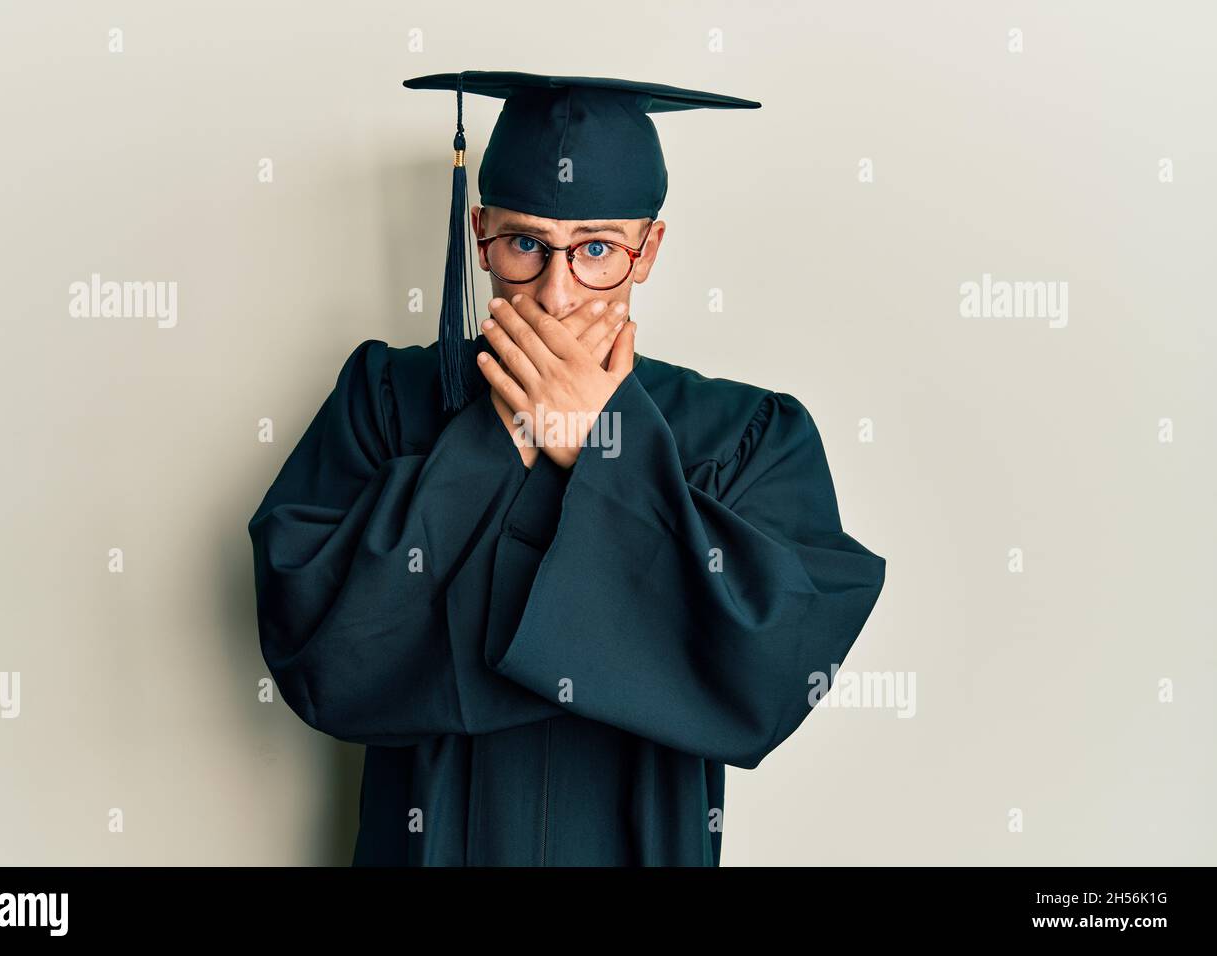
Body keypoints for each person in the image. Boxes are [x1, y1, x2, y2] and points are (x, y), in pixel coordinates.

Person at [247, 71, 887, 866]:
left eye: (595, 249)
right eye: (525, 244)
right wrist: (503, 438)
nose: (555, 293)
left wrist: (603, 442)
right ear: (479, 234)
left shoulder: (745, 433)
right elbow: (324, 657)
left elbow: (772, 671)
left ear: (647, 249)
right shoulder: (386, 400)